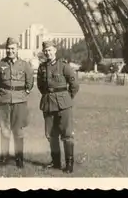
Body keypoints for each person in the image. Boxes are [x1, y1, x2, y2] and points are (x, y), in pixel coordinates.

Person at [37, 40, 79, 173]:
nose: (48, 53)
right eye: (45, 51)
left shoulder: (64, 66)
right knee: (51, 134)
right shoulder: (42, 67)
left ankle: (69, 163)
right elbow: (40, 86)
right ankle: (55, 162)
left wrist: (66, 98)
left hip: (63, 105)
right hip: (48, 103)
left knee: (67, 135)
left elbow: (74, 85)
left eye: (50, 50)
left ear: (55, 50)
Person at [0, 37, 34, 168]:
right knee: (4, 129)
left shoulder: (25, 65)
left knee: (18, 130)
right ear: (6, 49)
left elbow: (30, 83)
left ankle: (19, 158)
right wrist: (4, 92)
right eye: (8, 48)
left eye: (13, 49)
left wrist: (22, 93)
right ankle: (4, 157)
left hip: (19, 101)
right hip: (4, 101)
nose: (10, 51)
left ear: (17, 50)